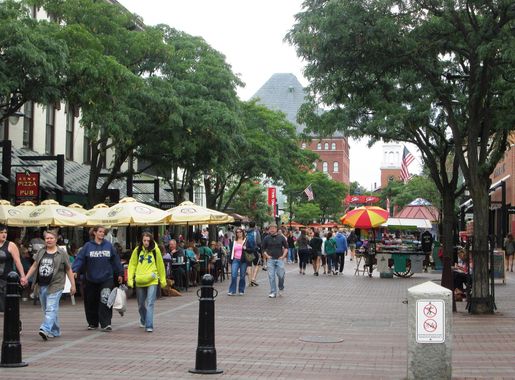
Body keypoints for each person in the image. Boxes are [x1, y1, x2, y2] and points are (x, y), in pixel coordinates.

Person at [23, 230, 76, 340]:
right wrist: (26, 277)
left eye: (51, 238)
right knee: (48, 309)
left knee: (50, 308)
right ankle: (55, 330)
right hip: (42, 284)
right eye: (47, 238)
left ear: (56, 240)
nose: (49, 240)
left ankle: (45, 328)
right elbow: (34, 266)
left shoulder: (62, 253)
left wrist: (73, 285)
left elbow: (68, 269)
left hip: (56, 285)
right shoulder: (41, 252)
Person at [72, 226, 123, 332]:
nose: (102, 234)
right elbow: (80, 259)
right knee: (91, 301)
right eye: (100, 232)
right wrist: (75, 270)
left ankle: (106, 324)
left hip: (106, 278)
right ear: (94, 233)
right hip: (91, 278)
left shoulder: (109, 246)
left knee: (105, 300)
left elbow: (115, 261)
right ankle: (92, 323)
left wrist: (120, 273)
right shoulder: (87, 246)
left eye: (103, 232)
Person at [127, 232, 166, 332]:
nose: (146, 242)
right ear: (141, 241)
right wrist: (130, 279)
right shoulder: (137, 250)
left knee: (150, 303)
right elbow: (132, 265)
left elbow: (160, 265)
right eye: (144, 240)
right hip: (140, 280)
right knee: (140, 304)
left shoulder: (155, 251)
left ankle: (149, 325)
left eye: (148, 240)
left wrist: (162, 280)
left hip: (152, 280)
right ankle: (144, 319)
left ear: (151, 241)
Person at [0, 224, 27, 312]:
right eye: (1, 232)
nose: (4, 234)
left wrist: (23, 276)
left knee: (4, 307)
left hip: (6, 279)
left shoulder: (10, 245)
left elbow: (17, 261)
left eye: (5, 232)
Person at [261, 223, 288, 298]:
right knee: (271, 276)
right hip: (270, 260)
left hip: (279, 259)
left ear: (276, 229)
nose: (272, 230)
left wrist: (283, 256)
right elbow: (263, 248)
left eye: (273, 228)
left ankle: (281, 287)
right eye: (270, 228)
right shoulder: (266, 238)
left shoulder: (281, 237)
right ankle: (273, 292)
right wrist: (267, 256)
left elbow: (286, 247)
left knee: (281, 275)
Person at [227, 228, 247, 295]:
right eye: (237, 232)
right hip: (235, 259)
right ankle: (232, 290)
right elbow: (230, 252)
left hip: (243, 260)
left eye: (240, 232)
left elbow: (252, 249)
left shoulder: (246, 241)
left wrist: (246, 248)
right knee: (233, 275)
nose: (239, 233)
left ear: (242, 232)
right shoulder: (233, 242)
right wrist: (230, 261)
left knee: (242, 276)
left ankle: (241, 290)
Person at [246, 221, 262, 287]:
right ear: (255, 225)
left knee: (249, 265)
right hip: (255, 250)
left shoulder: (246, 232)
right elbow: (259, 242)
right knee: (257, 264)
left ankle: (250, 282)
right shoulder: (256, 232)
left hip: (248, 251)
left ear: (249, 225)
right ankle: (253, 279)